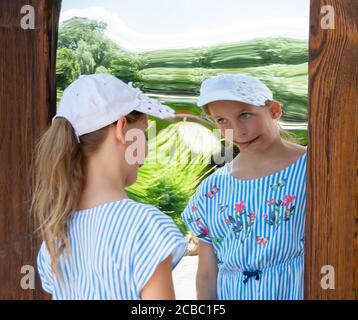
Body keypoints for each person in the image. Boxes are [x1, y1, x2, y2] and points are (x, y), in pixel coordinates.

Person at [32, 74, 187, 300]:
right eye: (143, 133)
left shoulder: (55, 236)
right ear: (122, 129)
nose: (145, 146)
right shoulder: (145, 227)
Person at [181, 74, 307, 300]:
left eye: (245, 115)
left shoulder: (314, 170)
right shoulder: (212, 190)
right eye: (222, 120)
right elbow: (207, 275)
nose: (238, 131)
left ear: (274, 110)